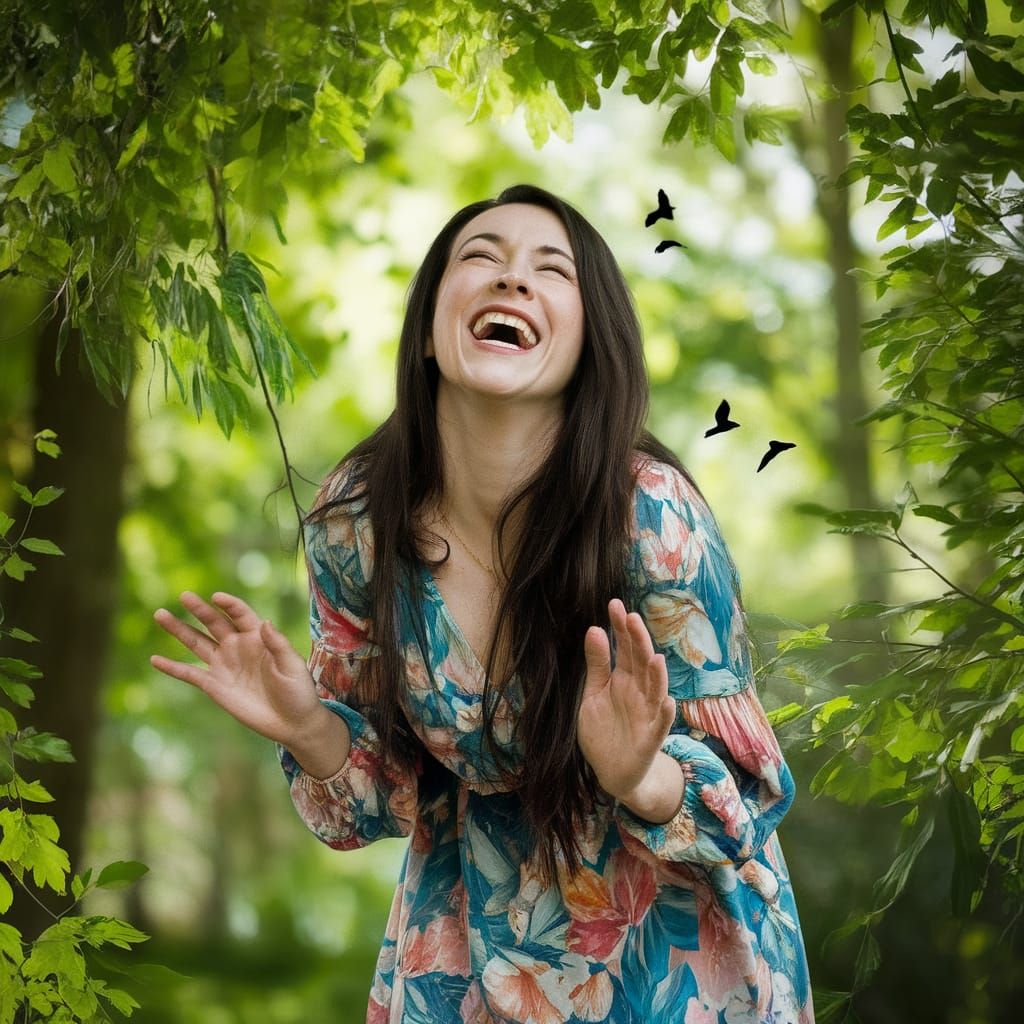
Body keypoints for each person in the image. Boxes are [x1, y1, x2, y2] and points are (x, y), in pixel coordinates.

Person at [152, 184, 814, 1023]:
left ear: (588, 341)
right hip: (463, 947)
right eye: (481, 258)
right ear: (430, 326)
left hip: (674, 955)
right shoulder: (357, 521)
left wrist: (639, 772)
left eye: (550, 270)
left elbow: (745, 806)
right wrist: (307, 726)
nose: (512, 281)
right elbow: (373, 803)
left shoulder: (651, 515)